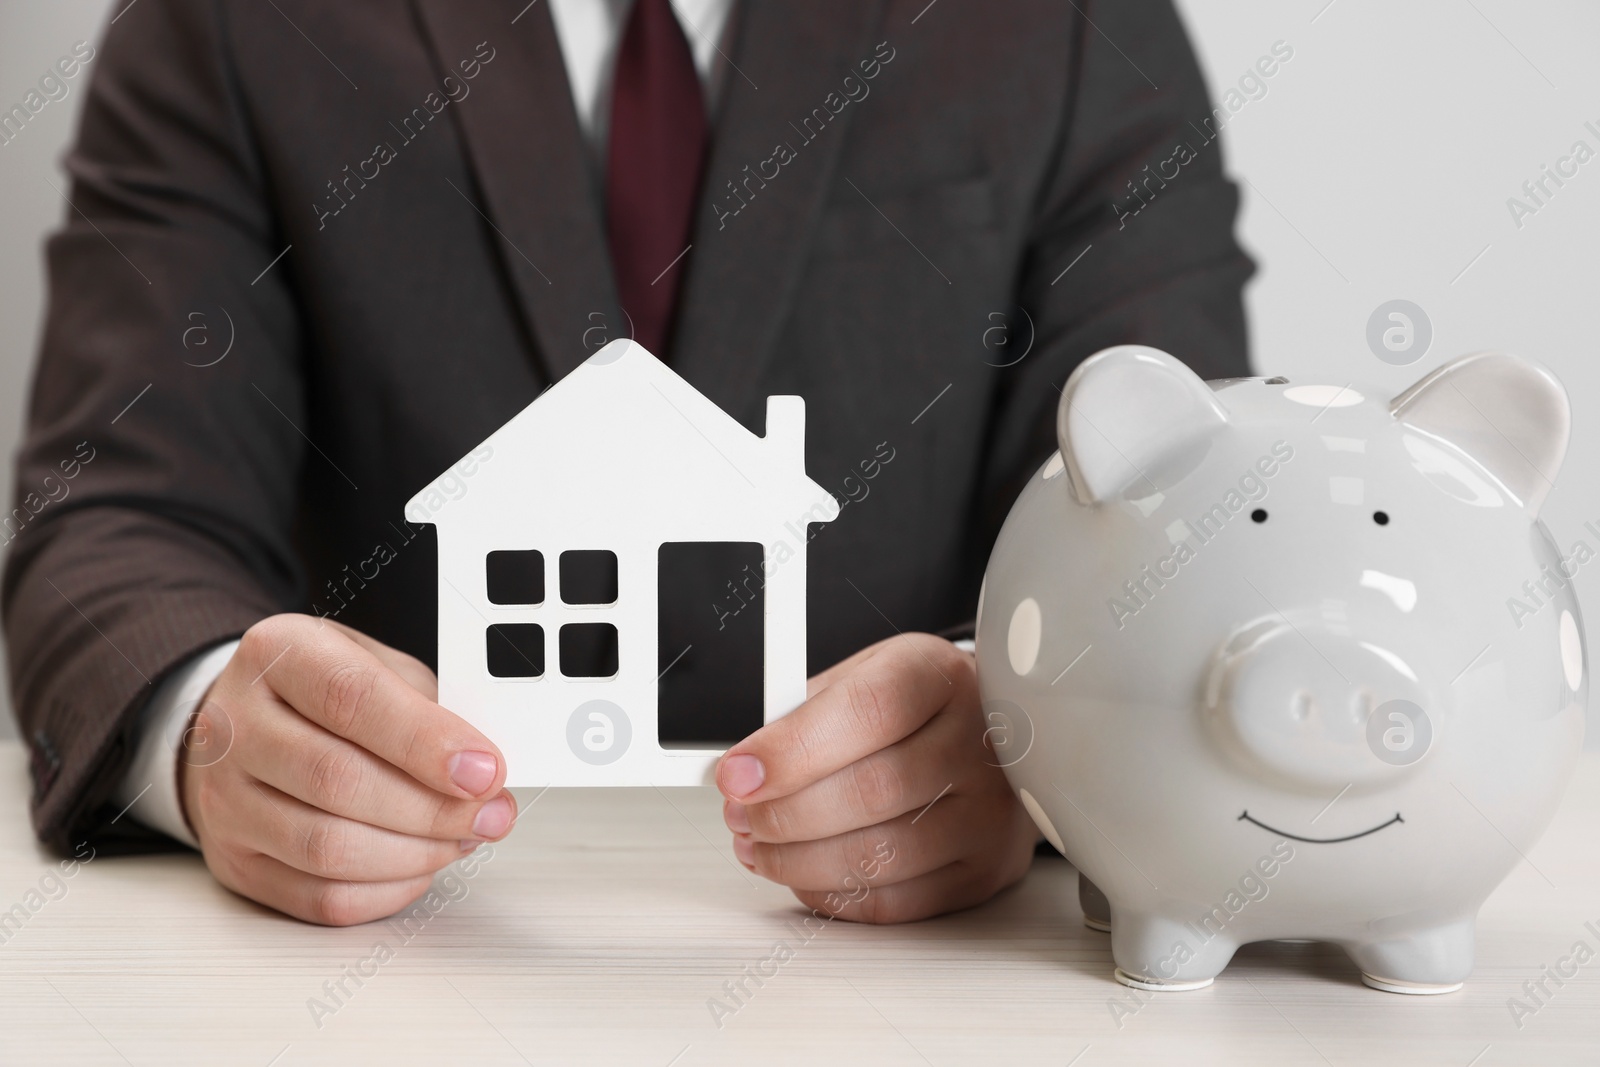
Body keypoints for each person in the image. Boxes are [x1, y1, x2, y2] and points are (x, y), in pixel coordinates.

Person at [2, 0, 1252, 926]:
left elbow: (1180, 515)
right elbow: (112, 511)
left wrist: (1034, 744)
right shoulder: (227, 23)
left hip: (922, 961)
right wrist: (215, 725)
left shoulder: (1075, 25)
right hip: (420, 935)